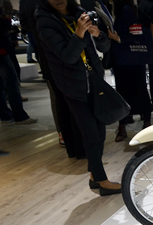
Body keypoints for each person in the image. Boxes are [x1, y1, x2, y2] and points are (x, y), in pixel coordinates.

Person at [36, 0, 122, 195]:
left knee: (100, 131)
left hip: (93, 80)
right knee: (91, 134)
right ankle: (101, 181)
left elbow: (104, 47)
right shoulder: (45, 22)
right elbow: (68, 57)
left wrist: (98, 34)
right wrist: (79, 33)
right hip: (72, 86)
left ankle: (94, 176)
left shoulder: (79, 13)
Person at [109, 0, 153, 142]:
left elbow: (137, 32)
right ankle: (139, 124)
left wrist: (118, 38)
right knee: (134, 91)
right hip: (127, 60)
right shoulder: (123, 9)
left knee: (130, 91)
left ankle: (131, 126)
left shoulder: (125, 9)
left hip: (128, 60)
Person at [0, 4, 37, 124]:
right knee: (11, 83)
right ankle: (19, 115)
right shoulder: (3, 20)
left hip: (2, 51)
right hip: (1, 52)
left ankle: (5, 115)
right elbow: (5, 25)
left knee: (0, 86)